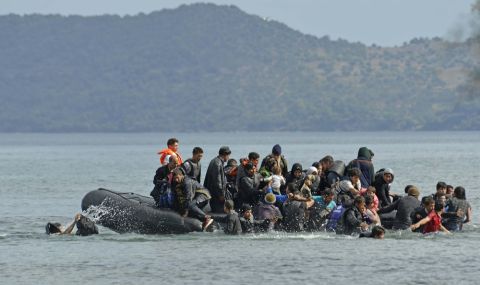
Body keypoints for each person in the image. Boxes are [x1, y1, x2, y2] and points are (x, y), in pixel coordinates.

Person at [204, 146, 231, 213]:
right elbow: (217, 181)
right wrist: (221, 194)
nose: (228, 158)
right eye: (228, 155)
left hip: (212, 192)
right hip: (215, 194)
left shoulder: (215, 161)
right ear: (225, 154)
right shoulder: (217, 163)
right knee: (218, 212)